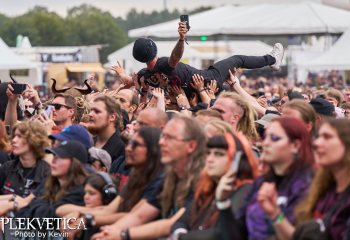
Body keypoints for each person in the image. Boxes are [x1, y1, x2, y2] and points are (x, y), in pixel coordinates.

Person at [92, 116, 206, 240]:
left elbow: (172, 224)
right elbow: (139, 215)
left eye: (170, 138)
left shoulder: (203, 182)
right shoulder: (168, 177)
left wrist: (122, 234)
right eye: (163, 136)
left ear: (191, 146)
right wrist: (109, 233)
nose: (161, 142)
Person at [115, 23, 284, 98]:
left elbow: (130, 81)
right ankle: (272, 59)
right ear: (154, 50)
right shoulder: (162, 64)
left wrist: (122, 74)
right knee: (236, 59)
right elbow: (176, 57)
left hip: (195, 93)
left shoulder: (145, 75)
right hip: (208, 79)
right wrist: (181, 39)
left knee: (231, 92)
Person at [216, 117, 315, 240]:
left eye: (274, 138)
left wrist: (276, 215)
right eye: (266, 137)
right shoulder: (262, 181)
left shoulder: (308, 184)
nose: (265, 143)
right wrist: (223, 202)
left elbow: (302, 236)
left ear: (295, 145)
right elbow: (238, 231)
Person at [256, 119, 350, 240]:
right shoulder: (322, 189)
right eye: (318, 137)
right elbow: (297, 237)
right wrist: (275, 214)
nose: (317, 143)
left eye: (327, 137)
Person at [170, 133, 259, 239]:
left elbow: (222, 234)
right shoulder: (207, 187)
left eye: (219, 154)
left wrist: (181, 237)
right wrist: (179, 233)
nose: (210, 159)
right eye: (208, 153)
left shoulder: (246, 190)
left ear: (237, 160)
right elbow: (180, 221)